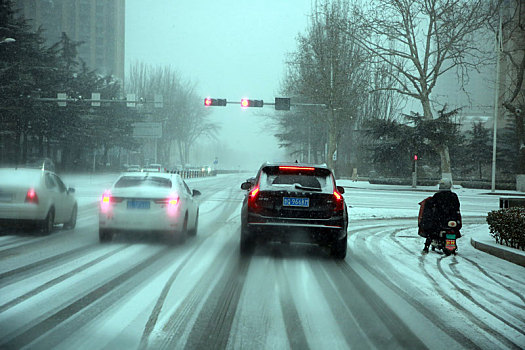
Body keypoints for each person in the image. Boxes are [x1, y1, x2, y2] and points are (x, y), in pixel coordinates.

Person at [422, 178, 462, 253]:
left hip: (439, 219)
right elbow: (457, 207)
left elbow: (431, 205)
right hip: (451, 219)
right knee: (454, 229)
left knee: (431, 231)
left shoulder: (437, 196)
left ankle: (426, 246)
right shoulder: (453, 196)